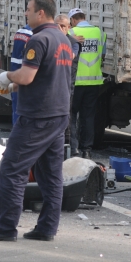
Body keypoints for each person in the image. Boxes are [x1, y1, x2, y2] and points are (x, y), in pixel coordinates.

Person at [0, 0, 72, 242]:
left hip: (37, 116)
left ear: (41, 13)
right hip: (59, 113)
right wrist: (15, 86)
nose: (25, 14)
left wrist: (8, 76)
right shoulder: (63, 39)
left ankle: (6, 228)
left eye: (28, 10)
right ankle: (47, 228)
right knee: (51, 176)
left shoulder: (38, 40)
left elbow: (28, 76)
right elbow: (47, 76)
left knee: (12, 169)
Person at [68, 8, 106, 159]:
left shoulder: (71, 33)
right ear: (84, 17)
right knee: (88, 117)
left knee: (71, 115)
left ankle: (74, 148)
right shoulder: (100, 33)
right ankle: (87, 150)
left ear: (73, 20)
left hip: (75, 82)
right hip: (94, 82)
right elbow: (102, 55)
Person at [55, 14, 81, 156]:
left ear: (69, 27)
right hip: (52, 88)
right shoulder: (51, 40)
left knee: (68, 121)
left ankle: (72, 150)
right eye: (57, 25)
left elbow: (69, 55)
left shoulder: (73, 42)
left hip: (66, 88)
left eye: (63, 26)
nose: (60, 28)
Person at [9, 24, 33, 125]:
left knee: (17, 107)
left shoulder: (20, 32)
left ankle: (16, 132)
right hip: (27, 74)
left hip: (16, 71)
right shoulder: (34, 35)